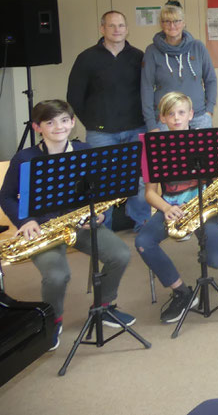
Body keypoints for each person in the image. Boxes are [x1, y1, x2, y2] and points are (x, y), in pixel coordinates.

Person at [0, 100, 134, 350]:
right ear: (37, 127)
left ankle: (103, 307)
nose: (58, 126)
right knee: (57, 275)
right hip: (42, 229)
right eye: (49, 122)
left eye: (63, 120)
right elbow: (6, 196)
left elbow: (100, 190)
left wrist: (99, 213)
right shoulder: (24, 158)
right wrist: (25, 220)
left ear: (72, 122)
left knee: (120, 254)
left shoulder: (85, 150)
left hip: (79, 224)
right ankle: (54, 320)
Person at [135, 92, 218, 324]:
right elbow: (150, 192)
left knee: (214, 259)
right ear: (162, 118)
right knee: (143, 242)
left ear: (191, 114)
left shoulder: (207, 142)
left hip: (204, 206)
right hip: (172, 208)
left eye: (181, 112)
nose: (176, 118)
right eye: (170, 114)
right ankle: (181, 291)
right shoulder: (154, 148)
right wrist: (166, 208)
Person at [66, 10, 150, 230]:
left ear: (127, 28)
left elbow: (148, 92)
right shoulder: (87, 58)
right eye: (111, 26)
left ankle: (142, 224)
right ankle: (105, 229)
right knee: (103, 183)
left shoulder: (138, 57)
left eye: (121, 25)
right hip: (101, 133)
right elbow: (74, 97)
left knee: (139, 181)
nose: (117, 30)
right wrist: (92, 122)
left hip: (135, 128)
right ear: (102, 29)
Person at [141, 0, 217, 132]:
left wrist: (209, 111)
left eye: (176, 21)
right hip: (166, 120)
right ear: (161, 24)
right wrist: (152, 125)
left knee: (200, 153)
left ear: (183, 23)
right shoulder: (152, 51)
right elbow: (146, 87)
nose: (172, 25)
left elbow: (211, 80)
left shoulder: (197, 47)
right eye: (167, 21)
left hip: (199, 117)